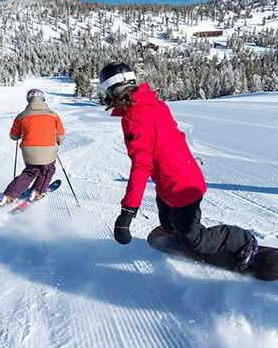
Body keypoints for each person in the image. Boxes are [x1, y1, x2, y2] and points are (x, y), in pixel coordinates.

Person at [99, 62, 259, 271]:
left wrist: (127, 212)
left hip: (181, 186)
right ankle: (180, 238)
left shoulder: (134, 117)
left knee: (195, 241)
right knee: (168, 227)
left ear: (109, 90)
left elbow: (141, 165)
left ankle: (243, 241)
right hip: (171, 181)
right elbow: (175, 137)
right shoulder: (154, 105)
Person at [0, 89, 65, 206]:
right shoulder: (53, 114)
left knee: (30, 172)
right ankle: (37, 192)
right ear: (43, 99)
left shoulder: (22, 116)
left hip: (29, 151)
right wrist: (58, 142)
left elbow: (14, 136)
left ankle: (9, 195)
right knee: (47, 170)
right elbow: (60, 135)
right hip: (48, 149)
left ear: (28, 100)